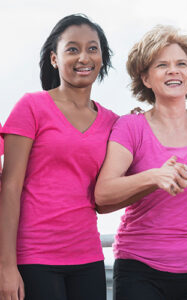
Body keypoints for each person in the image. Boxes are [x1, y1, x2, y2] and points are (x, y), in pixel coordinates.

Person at [95, 25, 187, 300]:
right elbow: (102, 194)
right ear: (145, 78)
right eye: (161, 65)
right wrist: (154, 177)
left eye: (181, 64)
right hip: (140, 269)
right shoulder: (130, 127)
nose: (173, 70)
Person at [0, 14, 117, 300]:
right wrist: (6, 266)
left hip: (89, 258)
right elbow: (9, 187)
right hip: (34, 257)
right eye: (72, 49)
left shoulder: (113, 122)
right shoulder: (31, 107)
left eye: (92, 48)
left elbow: (106, 195)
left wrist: (142, 122)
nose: (84, 57)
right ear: (54, 59)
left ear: (103, 57)